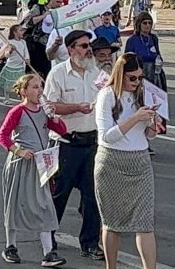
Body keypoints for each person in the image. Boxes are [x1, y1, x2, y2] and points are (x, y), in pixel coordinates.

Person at [94, 53, 161, 269]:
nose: (136, 82)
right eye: (132, 78)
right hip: (112, 161)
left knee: (145, 223)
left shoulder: (143, 95)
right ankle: (110, 266)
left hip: (139, 161)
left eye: (140, 78)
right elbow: (106, 136)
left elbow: (149, 136)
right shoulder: (107, 95)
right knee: (111, 222)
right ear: (120, 75)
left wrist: (153, 124)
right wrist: (135, 118)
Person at [42, 29, 105, 260]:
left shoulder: (96, 73)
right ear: (70, 50)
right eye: (83, 45)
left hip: (92, 143)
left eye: (89, 45)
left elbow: (108, 98)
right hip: (66, 144)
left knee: (92, 196)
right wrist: (76, 108)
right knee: (59, 194)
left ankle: (89, 243)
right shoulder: (58, 74)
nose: (88, 50)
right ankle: (48, 240)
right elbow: (49, 107)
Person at [0, 73, 69, 267]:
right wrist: (18, 150)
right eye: (35, 87)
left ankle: (48, 253)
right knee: (15, 204)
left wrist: (53, 116)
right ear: (23, 91)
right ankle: (10, 246)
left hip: (41, 164)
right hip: (21, 164)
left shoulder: (44, 111)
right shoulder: (17, 111)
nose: (39, 91)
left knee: (45, 205)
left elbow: (62, 130)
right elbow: (2, 136)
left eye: (40, 87)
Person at [124, 12, 165, 91]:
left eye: (149, 23)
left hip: (153, 73)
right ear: (139, 24)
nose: (147, 25)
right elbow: (127, 60)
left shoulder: (153, 38)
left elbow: (158, 54)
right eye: (144, 23)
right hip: (139, 73)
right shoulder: (132, 40)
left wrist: (159, 61)